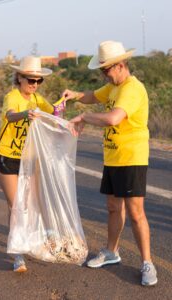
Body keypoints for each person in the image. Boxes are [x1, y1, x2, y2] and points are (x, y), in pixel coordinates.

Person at [62, 40, 158, 286]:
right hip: (113, 158)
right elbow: (93, 96)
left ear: (120, 65)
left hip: (131, 158)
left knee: (136, 213)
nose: (103, 75)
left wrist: (84, 117)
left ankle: (147, 263)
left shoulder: (132, 89)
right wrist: (74, 96)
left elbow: (114, 118)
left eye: (106, 70)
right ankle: (112, 252)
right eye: (102, 70)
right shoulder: (113, 87)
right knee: (114, 207)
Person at [0, 56, 66, 272]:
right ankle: (18, 254)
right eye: (30, 80)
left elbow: (54, 113)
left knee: (30, 203)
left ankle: (29, 241)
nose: (34, 84)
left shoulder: (37, 99)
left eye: (38, 81)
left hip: (29, 158)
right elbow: (11, 116)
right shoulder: (12, 96)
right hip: (7, 156)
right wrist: (26, 113)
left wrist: (61, 105)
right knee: (16, 206)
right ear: (19, 78)